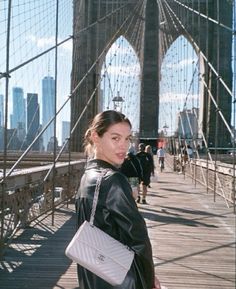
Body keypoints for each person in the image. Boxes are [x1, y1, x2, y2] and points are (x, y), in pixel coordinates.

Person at [75, 110, 161, 289]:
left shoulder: (87, 175)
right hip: (118, 278)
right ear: (95, 137)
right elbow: (138, 239)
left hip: (92, 275)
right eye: (115, 138)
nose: (124, 146)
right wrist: (149, 279)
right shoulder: (113, 180)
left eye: (127, 138)